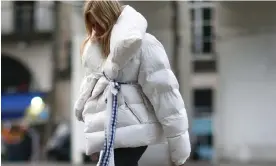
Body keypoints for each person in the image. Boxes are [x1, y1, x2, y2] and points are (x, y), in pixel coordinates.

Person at [74, 1, 191, 166]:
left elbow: (164, 93)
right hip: (112, 130)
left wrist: (179, 143)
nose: (96, 29)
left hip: (134, 127)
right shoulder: (96, 50)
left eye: (99, 22)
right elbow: (92, 88)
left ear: (109, 18)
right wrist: (89, 123)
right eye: (92, 24)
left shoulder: (145, 45)